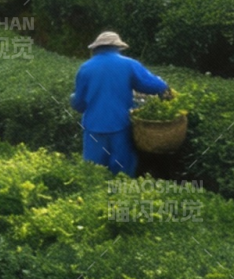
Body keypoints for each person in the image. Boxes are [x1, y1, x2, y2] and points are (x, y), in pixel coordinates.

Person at [72, 31, 170, 178]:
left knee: (92, 175)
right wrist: (165, 89)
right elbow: (155, 86)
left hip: (93, 128)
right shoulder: (129, 65)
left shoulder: (86, 68)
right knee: (122, 175)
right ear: (118, 48)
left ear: (96, 49)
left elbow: (79, 103)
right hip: (120, 126)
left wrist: (72, 98)